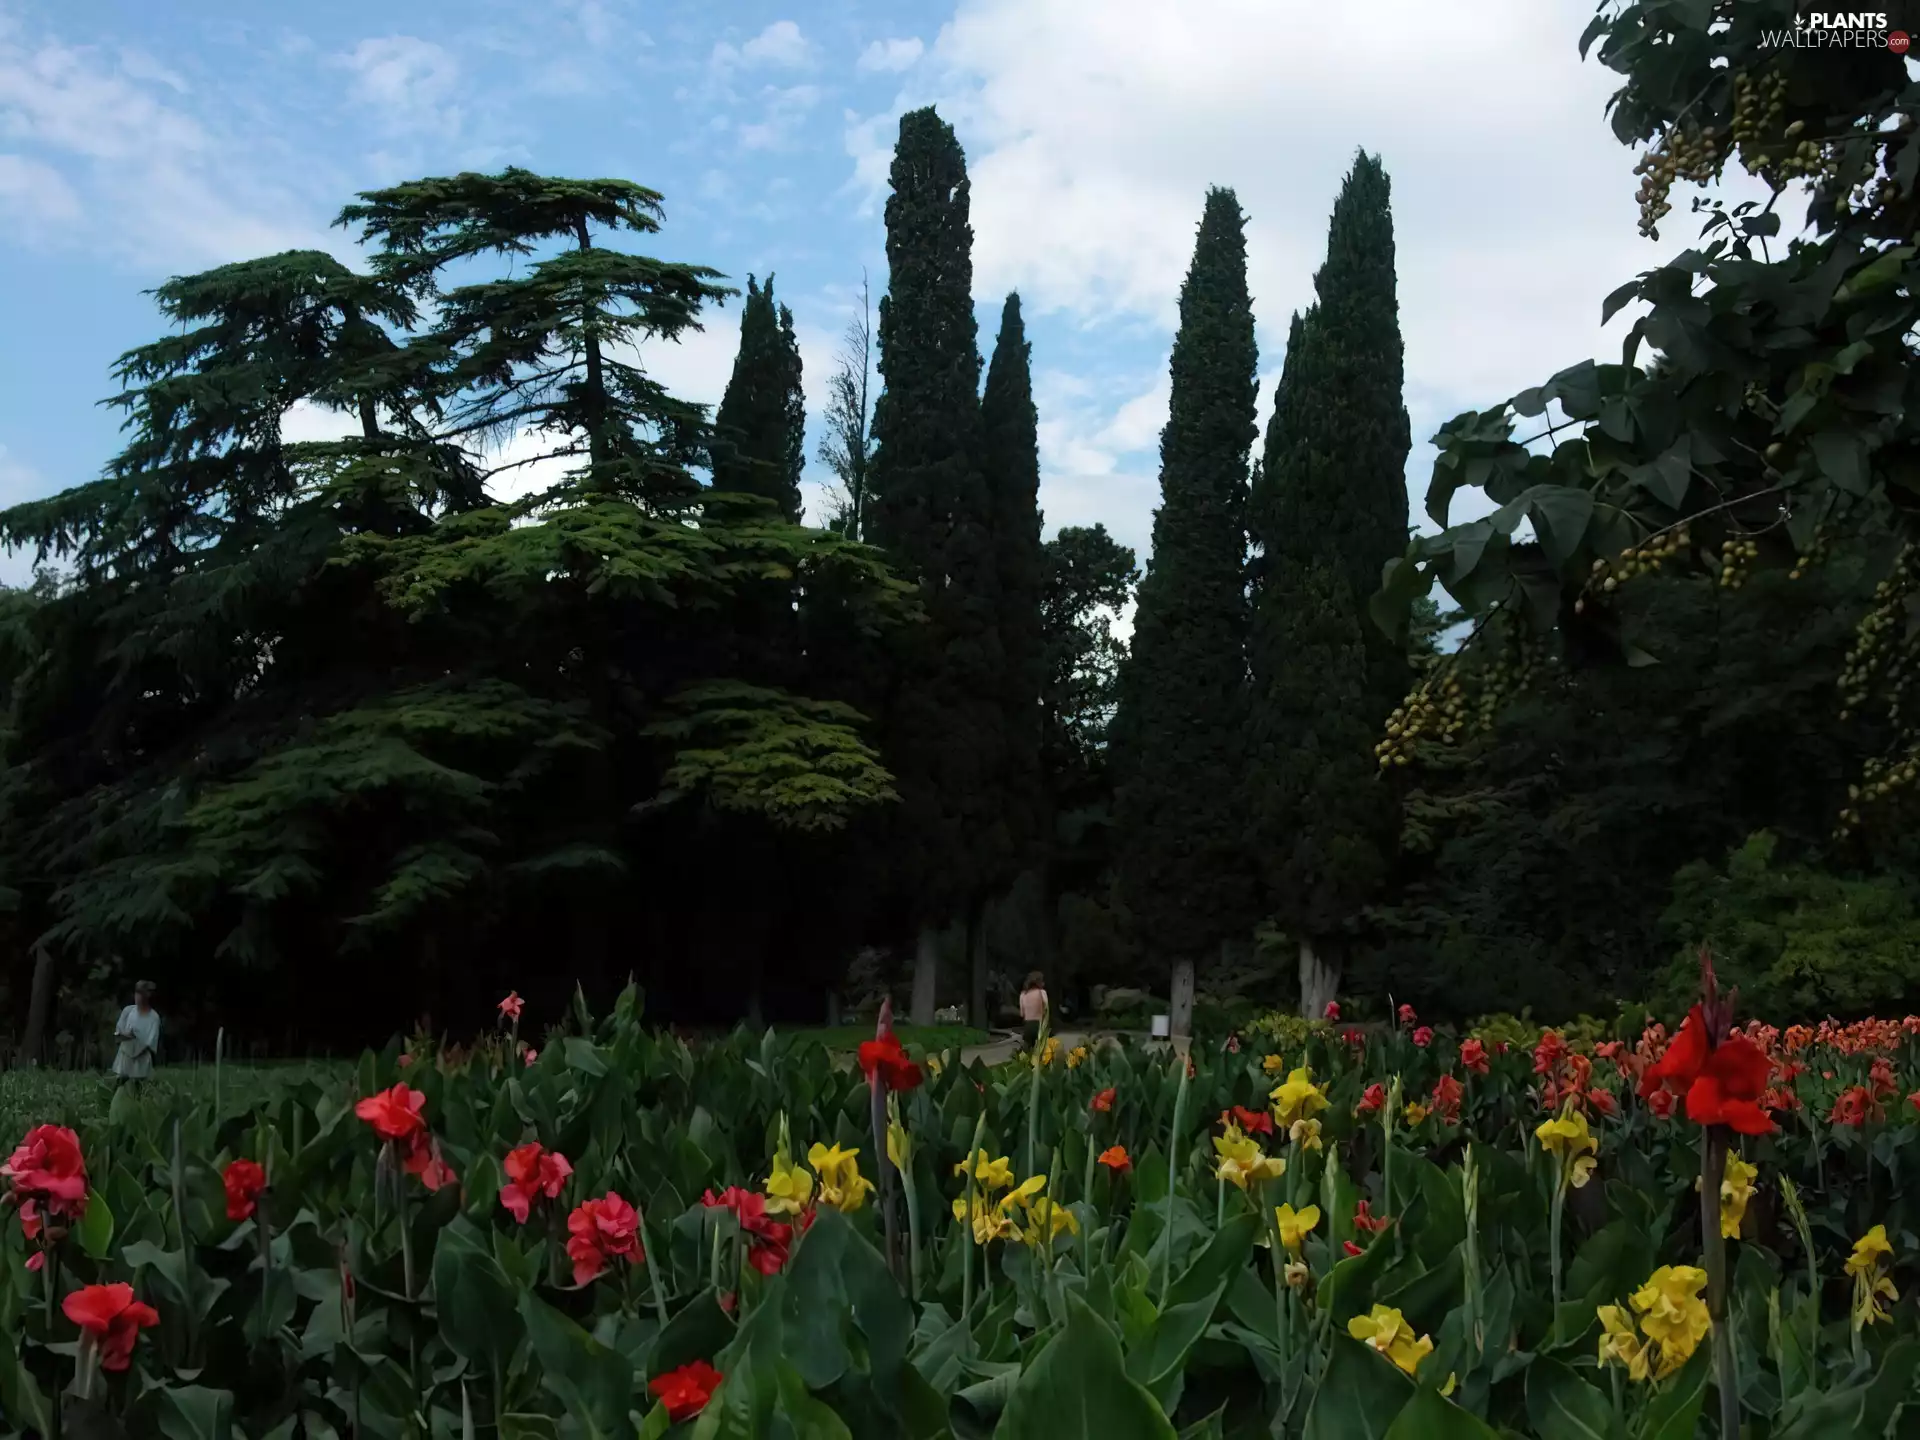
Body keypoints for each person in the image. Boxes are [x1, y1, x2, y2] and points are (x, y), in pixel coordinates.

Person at [112, 981, 161, 1084]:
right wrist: (125, 1035)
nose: (138, 997)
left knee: (139, 1088)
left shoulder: (154, 1018)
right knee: (120, 1086)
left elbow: (150, 1043)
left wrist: (137, 1040)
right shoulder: (128, 1011)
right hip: (125, 1056)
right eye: (137, 993)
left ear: (147, 996)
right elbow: (118, 1033)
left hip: (141, 1059)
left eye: (141, 994)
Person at [1017, 971, 1049, 1054]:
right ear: (1039, 982)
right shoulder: (1042, 993)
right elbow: (1046, 1010)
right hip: (1040, 1025)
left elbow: (1022, 1014)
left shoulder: (1023, 995)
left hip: (1028, 1026)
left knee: (1027, 1053)